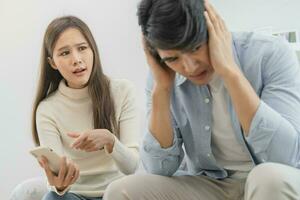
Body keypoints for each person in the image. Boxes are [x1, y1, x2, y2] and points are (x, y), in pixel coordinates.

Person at [103, 0, 300, 199]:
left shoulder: (270, 53)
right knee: (120, 191)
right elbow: (158, 168)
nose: (190, 67)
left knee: (267, 177)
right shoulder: (161, 76)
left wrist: (229, 72)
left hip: (274, 179)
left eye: (195, 48)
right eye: (173, 59)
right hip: (211, 183)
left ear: (212, 27)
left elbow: (284, 157)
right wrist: (162, 89)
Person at [32, 16, 140, 200]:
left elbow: (131, 167)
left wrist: (110, 140)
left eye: (82, 48)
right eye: (64, 53)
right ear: (52, 63)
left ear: (93, 50)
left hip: (116, 193)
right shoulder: (47, 109)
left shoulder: (122, 91)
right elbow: (56, 179)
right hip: (76, 195)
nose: (76, 59)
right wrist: (59, 185)